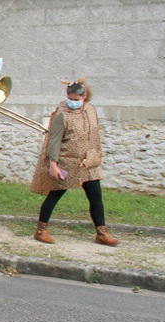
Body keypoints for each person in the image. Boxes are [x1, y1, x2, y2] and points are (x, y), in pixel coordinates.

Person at [31, 80, 118, 246]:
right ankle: (41, 230)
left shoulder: (90, 110)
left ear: (84, 97)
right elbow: (54, 141)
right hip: (67, 161)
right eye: (70, 98)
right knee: (55, 194)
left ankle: (101, 232)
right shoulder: (62, 114)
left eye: (77, 99)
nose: (73, 102)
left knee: (96, 196)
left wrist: (94, 155)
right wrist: (53, 164)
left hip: (88, 162)